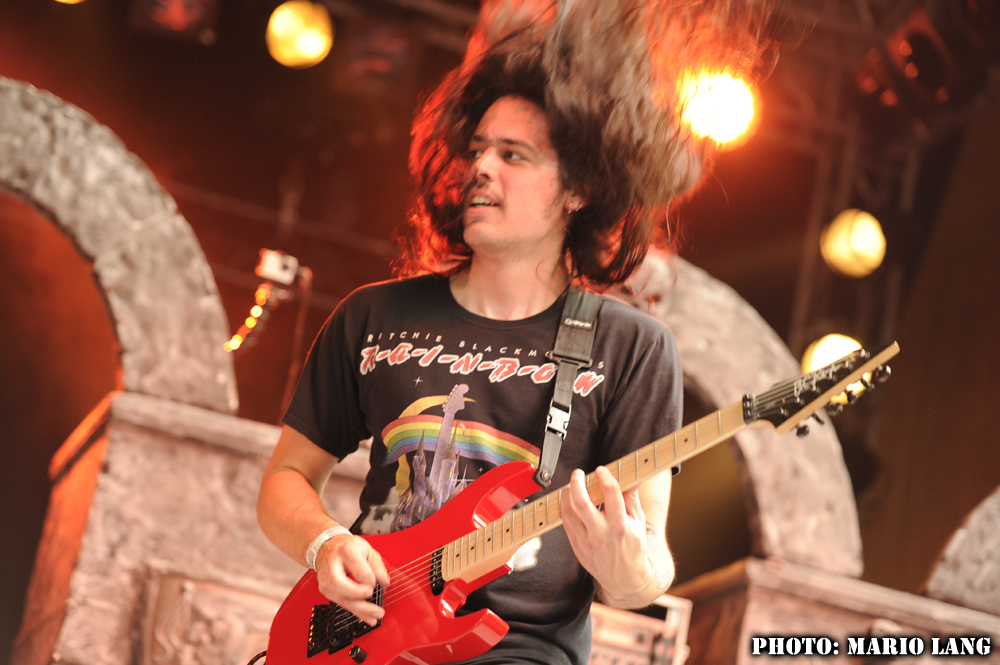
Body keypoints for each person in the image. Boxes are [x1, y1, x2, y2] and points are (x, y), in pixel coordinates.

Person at [258, 1, 772, 663]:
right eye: (477, 150)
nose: (482, 168)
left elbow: (646, 567)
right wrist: (325, 543)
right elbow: (285, 478)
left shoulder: (631, 348)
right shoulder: (373, 316)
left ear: (579, 188)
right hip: (367, 639)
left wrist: (626, 567)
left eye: (513, 155)